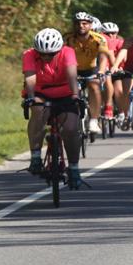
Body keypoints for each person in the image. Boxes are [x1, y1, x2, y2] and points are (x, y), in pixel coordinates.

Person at [22, 27, 85, 189]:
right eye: (42, 54)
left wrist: (75, 95)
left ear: (59, 49)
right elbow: (30, 78)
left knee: (71, 130)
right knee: (37, 110)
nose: (46, 57)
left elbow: (72, 75)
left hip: (66, 91)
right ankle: (35, 156)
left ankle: (74, 168)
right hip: (40, 91)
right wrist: (30, 97)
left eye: (51, 54)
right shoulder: (29, 55)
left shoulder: (68, 52)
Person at [66, 12, 109, 136]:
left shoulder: (99, 39)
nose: (81, 26)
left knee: (94, 85)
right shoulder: (67, 38)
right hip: (73, 70)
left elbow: (103, 57)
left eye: (85, 23)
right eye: (78, 23)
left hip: (91, 69)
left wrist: (101, 71)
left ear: (90, 25)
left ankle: (94, 120)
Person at [97, 21, 127, 126]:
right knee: (106, 81)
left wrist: (119, 66)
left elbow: (125, 55)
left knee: (119, 90)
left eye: (113, 33)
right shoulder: (100, 40)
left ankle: (121, 112)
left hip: (117, 70)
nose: (111, 35)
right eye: (107, 33)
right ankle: (108, 106)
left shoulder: (120, 41)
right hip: (106, 70)